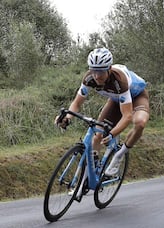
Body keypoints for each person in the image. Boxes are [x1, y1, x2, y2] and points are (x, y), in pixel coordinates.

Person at [55, 47, 150, 176]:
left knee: (140, 122)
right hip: (116, 100)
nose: (97, 76)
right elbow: (77, 103)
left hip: (137, 96)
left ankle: (119, 155)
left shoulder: (119, 80)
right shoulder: (89, 78)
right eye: (94, 71)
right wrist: (68, 117)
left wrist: (112, 134)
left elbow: (127, 116)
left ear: (109, 69)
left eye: (100, 72)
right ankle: (92, 174)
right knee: (97, 135)